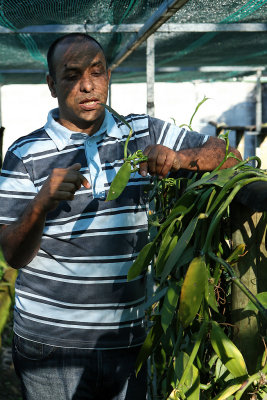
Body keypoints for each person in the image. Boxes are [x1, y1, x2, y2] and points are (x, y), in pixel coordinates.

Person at [0, 33, 241, 400]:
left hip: (126, 338)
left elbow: (227, 155)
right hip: (51, 344)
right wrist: (41, 204)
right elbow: (13, 255)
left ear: (108, 77)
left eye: (96, 72)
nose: (87, 85)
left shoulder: (141, 133)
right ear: (52, 85)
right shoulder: (25, 153)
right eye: (71, 75)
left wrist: (177, 160)